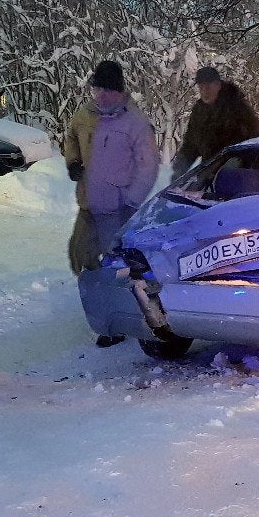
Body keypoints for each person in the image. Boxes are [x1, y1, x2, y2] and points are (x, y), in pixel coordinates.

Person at [80, 59, 160, 347]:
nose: (99, 95)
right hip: (96, 209)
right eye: (96, 89)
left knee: (122, 270)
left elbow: (149, 166)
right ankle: (112, 322)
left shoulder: (135, 123)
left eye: (105, 89)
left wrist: (130, 201)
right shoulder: (97, 120)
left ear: (118, 91)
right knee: (98, 268)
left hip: (121, 210)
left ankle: (137, 322)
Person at [170, 66, 259, 176]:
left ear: (218, 85)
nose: (204, 92)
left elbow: (257, 141)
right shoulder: (199, 111)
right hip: (209, 173)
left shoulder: (237, 107)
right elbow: (191, 145)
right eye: (201, 88)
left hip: (238, 175)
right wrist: (178, 172)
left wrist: (255, 175)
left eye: (208, 87)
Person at [62, 91, 101, 274]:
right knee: (78, 250)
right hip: (89, 195)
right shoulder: (85, 114)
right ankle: (90, 283)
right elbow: (72, 138)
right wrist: (74, 162)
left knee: (116, 250)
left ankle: (114, 290)